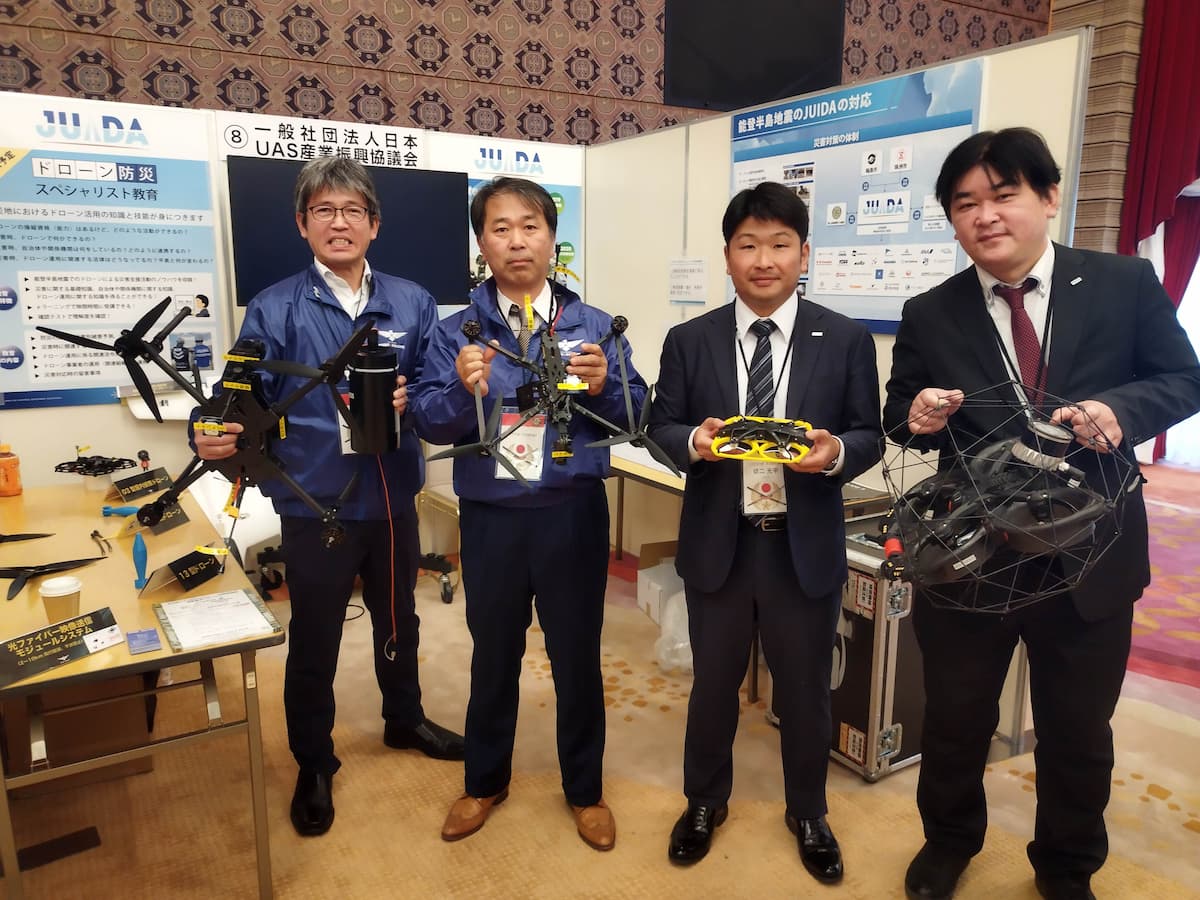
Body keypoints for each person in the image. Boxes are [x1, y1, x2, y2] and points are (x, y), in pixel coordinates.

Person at [883, 128, 1200, 900]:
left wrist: (1121, 411)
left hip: (1090, 554)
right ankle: (948, 844)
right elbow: (898, 416)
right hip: (969, 557)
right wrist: (917, 414)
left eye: (1003, 194)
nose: (985, 215)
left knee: (1078, 731)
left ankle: (1065, 866)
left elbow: (1184, 379)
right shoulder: (930, 311)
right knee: (954, 720)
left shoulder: (1123, 283)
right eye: (965, 204)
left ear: (1049, 196)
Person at [193, 157, 464, 838]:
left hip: (393, 495)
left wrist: (417, 399)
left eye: (351, 210)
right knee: (314, 638)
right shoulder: (273, 305)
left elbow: (435, 391)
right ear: (302, 224)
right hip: (314, 503)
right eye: (324, 211)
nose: (338, 223)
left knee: (400, 622)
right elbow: (235, 396)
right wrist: (209, 428)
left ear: (374, 224)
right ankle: (314, 761)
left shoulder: (412, 301)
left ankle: (404, 720)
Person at [646, 181, 883, 884]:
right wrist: (694, 442)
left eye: (780, 244)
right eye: (747, 244)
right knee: (712, 685)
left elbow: (868, 433)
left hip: (800, 545)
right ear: (728, 255)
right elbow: (660, 425)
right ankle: (703, 802)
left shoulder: (844, 339)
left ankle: (808, 812)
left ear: (804, 254)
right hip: (720, 543)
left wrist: (834, 454)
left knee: (806, 690)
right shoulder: (690, 339)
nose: (763, 259)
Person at [411, 176, 647, 851]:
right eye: (500, 228)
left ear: (551, 238)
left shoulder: (593, 325)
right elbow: (427, 419)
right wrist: (460, 388)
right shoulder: (456, 332)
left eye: (530, 226)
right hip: (492, 518)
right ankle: (485, 781)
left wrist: (605, 386)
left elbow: (637, 413)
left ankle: (586, 790)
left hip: (573, 514)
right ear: (482, 244)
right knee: (493, 655)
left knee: (578, 658)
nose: (516, 241)